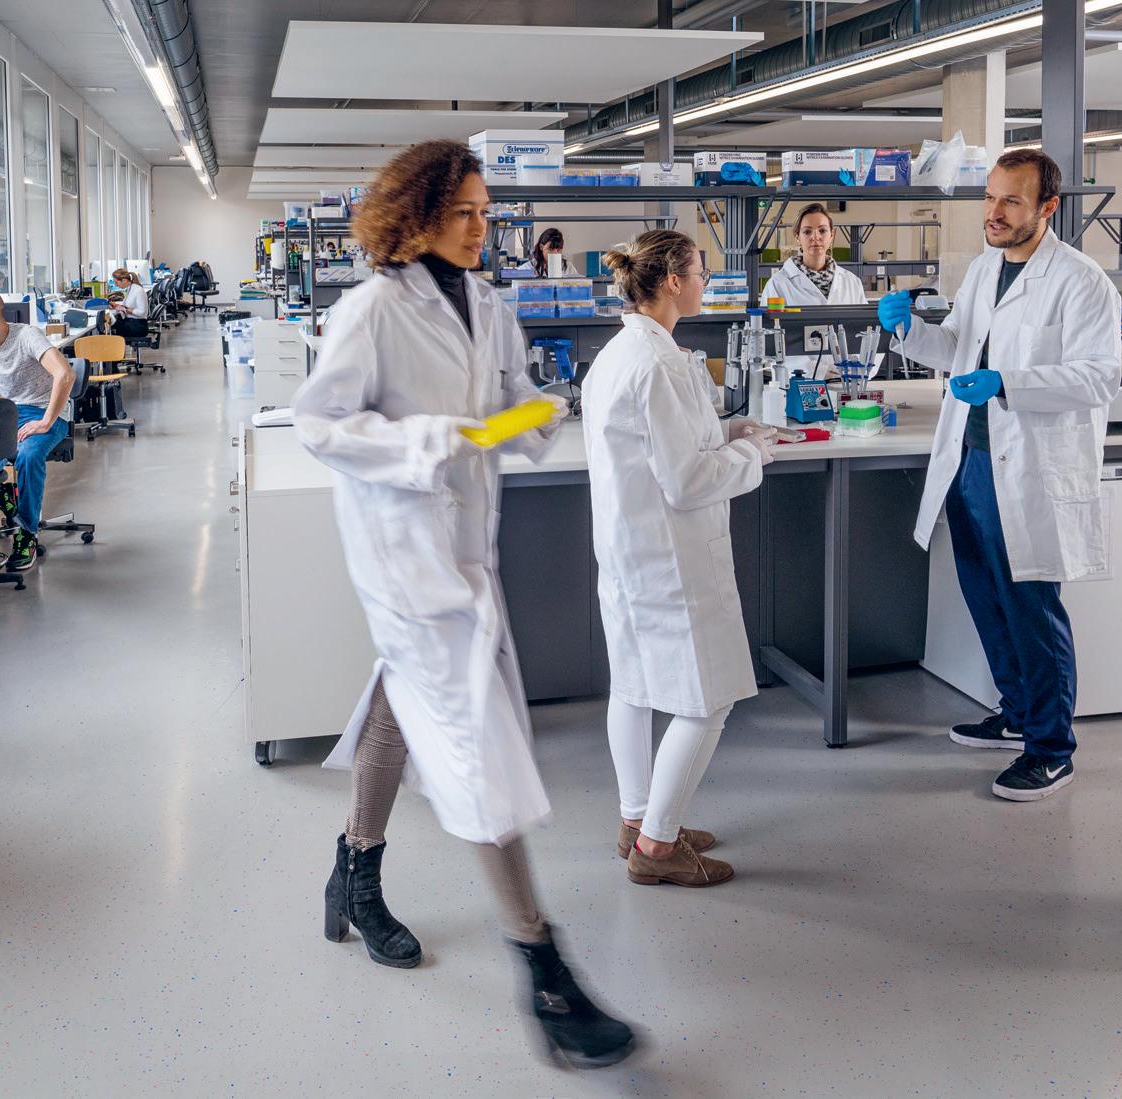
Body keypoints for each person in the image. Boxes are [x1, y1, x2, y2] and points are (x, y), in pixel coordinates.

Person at [294, 139, 636, 1069]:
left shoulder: (489, 303)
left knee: (403, 706)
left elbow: (508, 399)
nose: (484, 227)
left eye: (488, 213)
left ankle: (353, 868)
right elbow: (319, 423)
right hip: (403, 554)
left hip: (464, 550)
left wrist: (535, 412)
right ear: (415, 215)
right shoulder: (371, 308)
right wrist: (427, 439)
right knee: (478, 744)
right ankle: (545, 970)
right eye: (466, 213)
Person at [877, 149, 1120, 801]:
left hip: (1029, 468)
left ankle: (1051, 748)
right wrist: (909, 332)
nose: (994, 212)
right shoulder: (985, 269)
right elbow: (955, 349)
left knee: (1031, 609)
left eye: (1011, 200)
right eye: (989, 198)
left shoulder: (1081, 281)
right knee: (985, 597)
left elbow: (1100, 377)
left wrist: (1006, 382)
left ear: (1047, 207)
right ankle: (1016, 713)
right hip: (969, 458)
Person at [582, 228, 773, 889]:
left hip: (631, 553)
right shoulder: (658, 364)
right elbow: (687, 481)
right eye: (700, 273)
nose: (704, 283)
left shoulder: (625, 351)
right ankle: (657, 848)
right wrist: (751, 453)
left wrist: (725, 431)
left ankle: (636, 820)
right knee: (707, 700)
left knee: (633, 688)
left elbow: (658, 443)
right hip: (671, 559)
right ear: (671, 281)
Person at [0, 287, 78, 570]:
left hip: (47, 412)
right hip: (11, 413)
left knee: (28, 456)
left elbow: (65, 374)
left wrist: (46, 421)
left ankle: (27, 534)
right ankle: (3, 502)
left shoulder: (27, 336)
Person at [760, 203, 866, 307]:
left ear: (832, 235)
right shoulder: (777, 284)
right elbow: (768, 319)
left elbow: (863, 319)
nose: (815, 237)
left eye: (822, 230)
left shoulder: (852, 282)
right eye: (807, 232)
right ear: (797, 237)